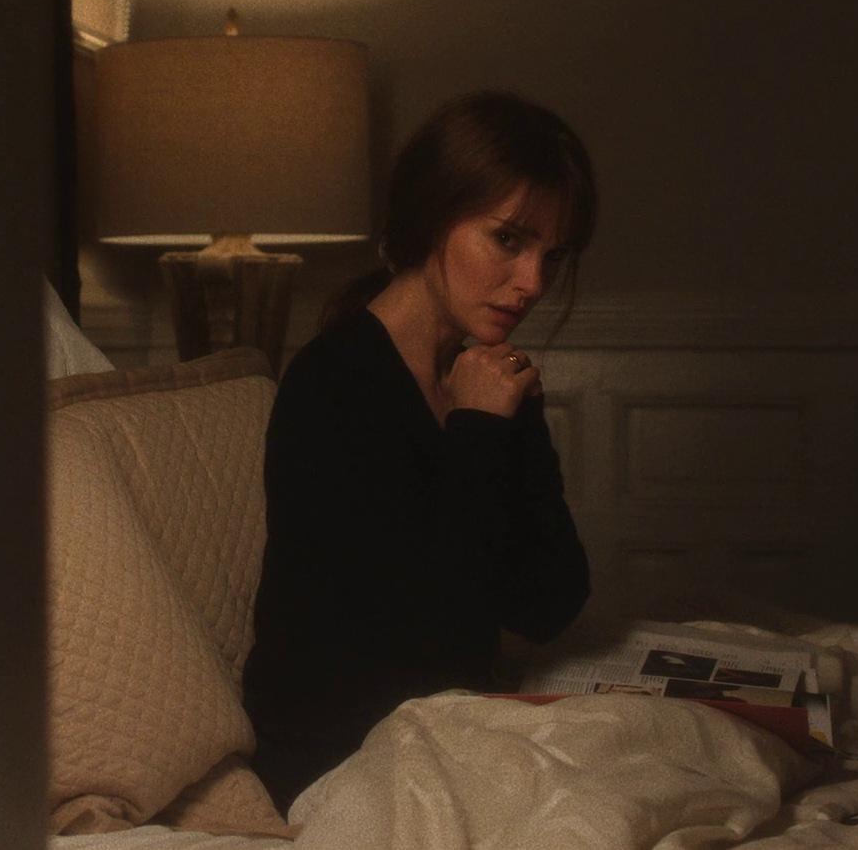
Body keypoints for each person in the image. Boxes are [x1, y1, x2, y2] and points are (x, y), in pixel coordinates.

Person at [242, 90, 596, 808]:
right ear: (433, 214)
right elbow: (428, 643)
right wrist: (479, 432)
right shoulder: (335, 383)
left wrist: (508, 427)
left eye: (551, 256)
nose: (532, 283)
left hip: (446, 728)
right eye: (509, 240)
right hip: (338, 753)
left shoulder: (485, 375)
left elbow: (550, 602)